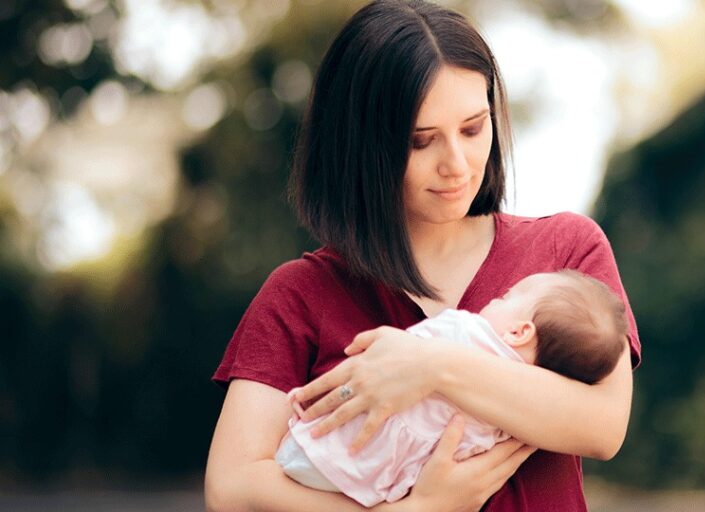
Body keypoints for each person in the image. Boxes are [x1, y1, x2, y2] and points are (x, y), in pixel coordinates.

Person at [204, 0, 641, 511]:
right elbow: (230, 489)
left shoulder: (565, 253)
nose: (456, 164)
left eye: (474, 128)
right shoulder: (301, 295)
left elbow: (603, 425)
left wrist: (431, 365)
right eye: (420, 141)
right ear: (361, 147)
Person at [275, 270, 629, 507]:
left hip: (328, 450)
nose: (495, 299)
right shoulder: (511, 420)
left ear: (520, 332)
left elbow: (393, 355)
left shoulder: (464, 331)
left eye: (507, 296)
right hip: (376, 484)